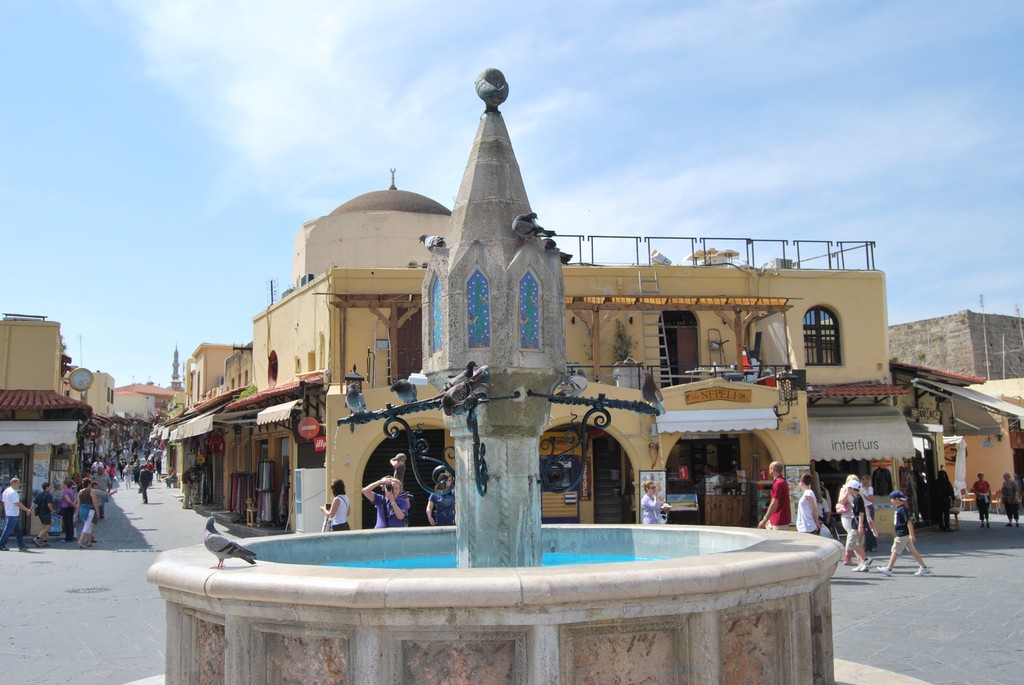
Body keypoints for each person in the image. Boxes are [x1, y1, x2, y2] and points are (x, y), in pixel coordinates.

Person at [876, 490, 931, 577]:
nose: (891, 500)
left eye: (892, 499)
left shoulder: (902, 509)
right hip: (904, 534)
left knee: (895, 550)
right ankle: (924, 567)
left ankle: (889, 569)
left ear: (897, 499)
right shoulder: (899, 508)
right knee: (912, 550)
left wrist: (912, 534)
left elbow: (909, 522)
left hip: (902, 534)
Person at [841, 478, 871, 571]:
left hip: (857, 524)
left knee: (851, 543)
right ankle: (863, 563)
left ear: (852, 489)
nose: (847, 490)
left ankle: (866, 559)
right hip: (857, 523)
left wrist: (860, 525)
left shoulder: (858, 498)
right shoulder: (856, 498)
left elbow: (861, 513)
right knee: (859, 544)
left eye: (848, 488)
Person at [0, 477, 33, 551]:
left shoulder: (6, 491)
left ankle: (21, 545)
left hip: (10, 513)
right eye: (18, 483)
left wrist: (6, 510)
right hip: (13, 514)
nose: (19, 484)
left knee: (18, 530)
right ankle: (1, 544)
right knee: (8, 529)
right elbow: (17, 503)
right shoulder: (13, 492)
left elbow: (3, 502)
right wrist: (27, 510)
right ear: (13, 483)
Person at [757, 461, 791, 530]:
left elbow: (774, 503)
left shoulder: (778, 483)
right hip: (776, 519)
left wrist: (764, 519)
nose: (769, 470)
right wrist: (769, 519)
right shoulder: (782, 481)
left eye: (769, 468)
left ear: (772, 469)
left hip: (779, 521)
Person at [32, 481, 55, 547]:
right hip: (46, 513)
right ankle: (37, 538)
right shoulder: (49, 495)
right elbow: (49, 504)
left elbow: (34, 503)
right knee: (48, 528)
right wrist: (52, 511)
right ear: (47, 487)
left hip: (40, 513)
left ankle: (45, 541)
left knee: (44, 528)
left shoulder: (39, 494)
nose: (51, 487)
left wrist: (30, 510)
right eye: (50, 486)